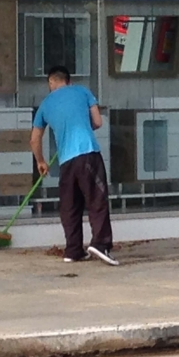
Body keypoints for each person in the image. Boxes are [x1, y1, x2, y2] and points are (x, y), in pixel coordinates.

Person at [30, 66, 118, 265]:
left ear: (51, 82)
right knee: (97, 198)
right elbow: (97, 122)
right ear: (68, 81)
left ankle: (73, 249)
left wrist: (41, 161)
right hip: (87, 153)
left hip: (66, 162)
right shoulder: (82, 91)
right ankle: (101, 244)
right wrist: (84, 124)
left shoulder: (45, 104)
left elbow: (34, 140)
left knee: (70, 205)